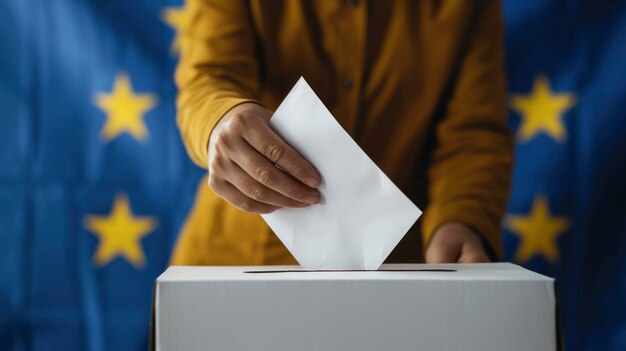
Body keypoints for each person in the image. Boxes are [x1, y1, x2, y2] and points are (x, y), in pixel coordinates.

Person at [171, 0, 513, 266]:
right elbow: (209, 78)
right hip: (233, 268)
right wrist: (221, 121)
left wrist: (461, 221)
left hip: (399, 276)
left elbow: (472, 136)